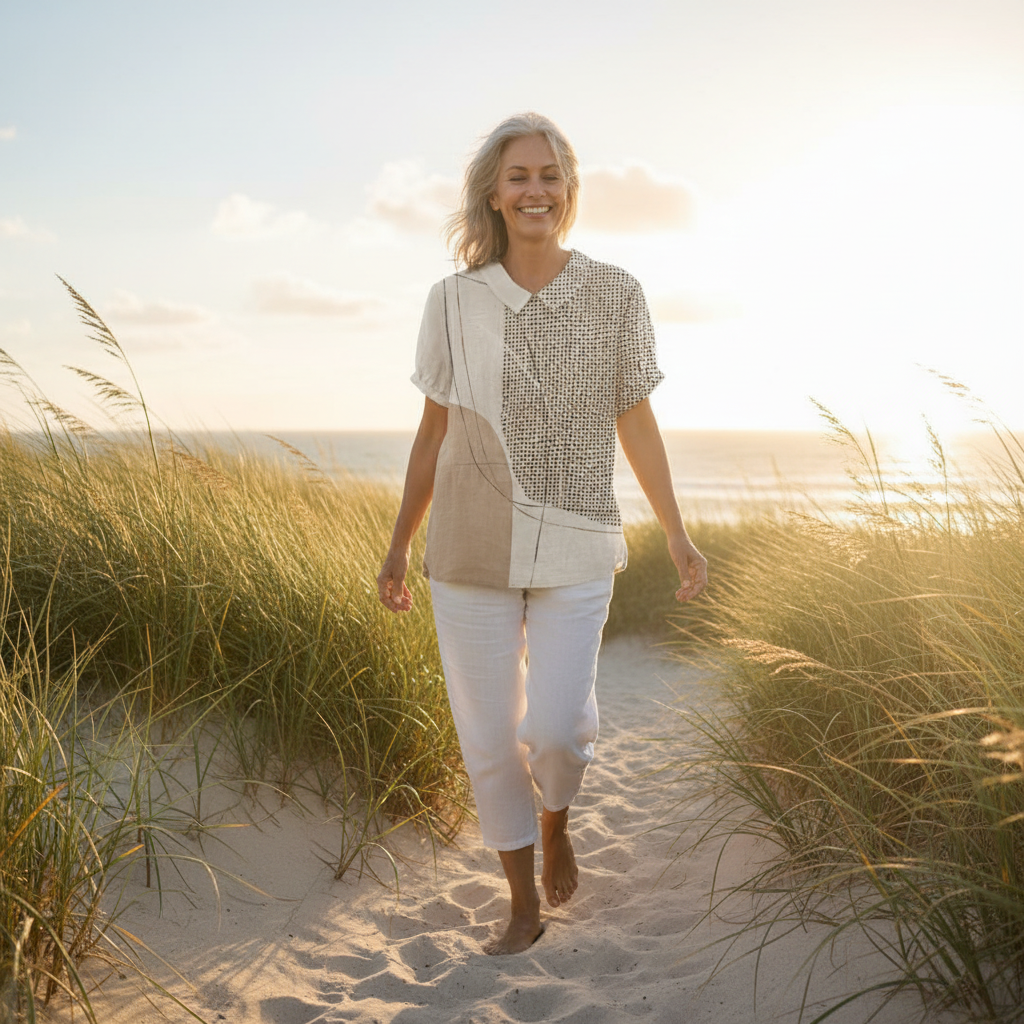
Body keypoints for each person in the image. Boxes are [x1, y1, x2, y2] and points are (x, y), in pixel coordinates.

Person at [377, 112, 707, 955]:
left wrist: (675, 532)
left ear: (569, 190)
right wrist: (396, 544)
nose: (536, 190)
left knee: (556, 730)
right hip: (468, 546)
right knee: (489, 741)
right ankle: (520, 900)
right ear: (494, 191)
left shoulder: (614, 293)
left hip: (576, 540)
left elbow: (636, 418)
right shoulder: (450, 301)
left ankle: (556, 819)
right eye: (519, 175)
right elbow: (431, 433)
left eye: (550, 175)